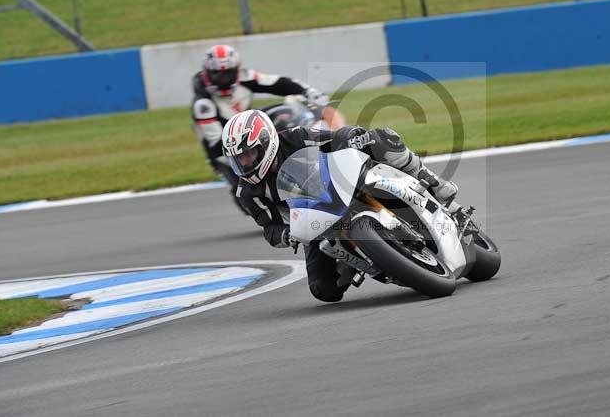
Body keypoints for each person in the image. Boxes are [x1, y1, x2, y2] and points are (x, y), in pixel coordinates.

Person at [221, 109, 459, 303]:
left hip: (339, 183)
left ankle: (433, 183)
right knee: (324, 290)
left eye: (249, 154)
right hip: (312, 219)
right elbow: (269, 227)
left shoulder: (295, 137)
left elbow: (333, 138)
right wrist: (287, 235)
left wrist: (353, 138)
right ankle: (373, 263)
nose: (244, 163)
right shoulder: (248, 193)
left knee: (381, 138)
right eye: (238, 159)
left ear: (266, 142)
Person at [191, 44, 327, 206]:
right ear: (207, 73)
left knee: (284, 113)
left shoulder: (244, 78)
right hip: (227, 152)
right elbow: (216, 144)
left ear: (236, 70)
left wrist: (308, 92)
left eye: (227, 73)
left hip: (249, 134)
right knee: (249, 198)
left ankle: (308, 159)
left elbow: (278, 83)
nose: (223, 79)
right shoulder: (203, 104)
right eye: (217, 74)